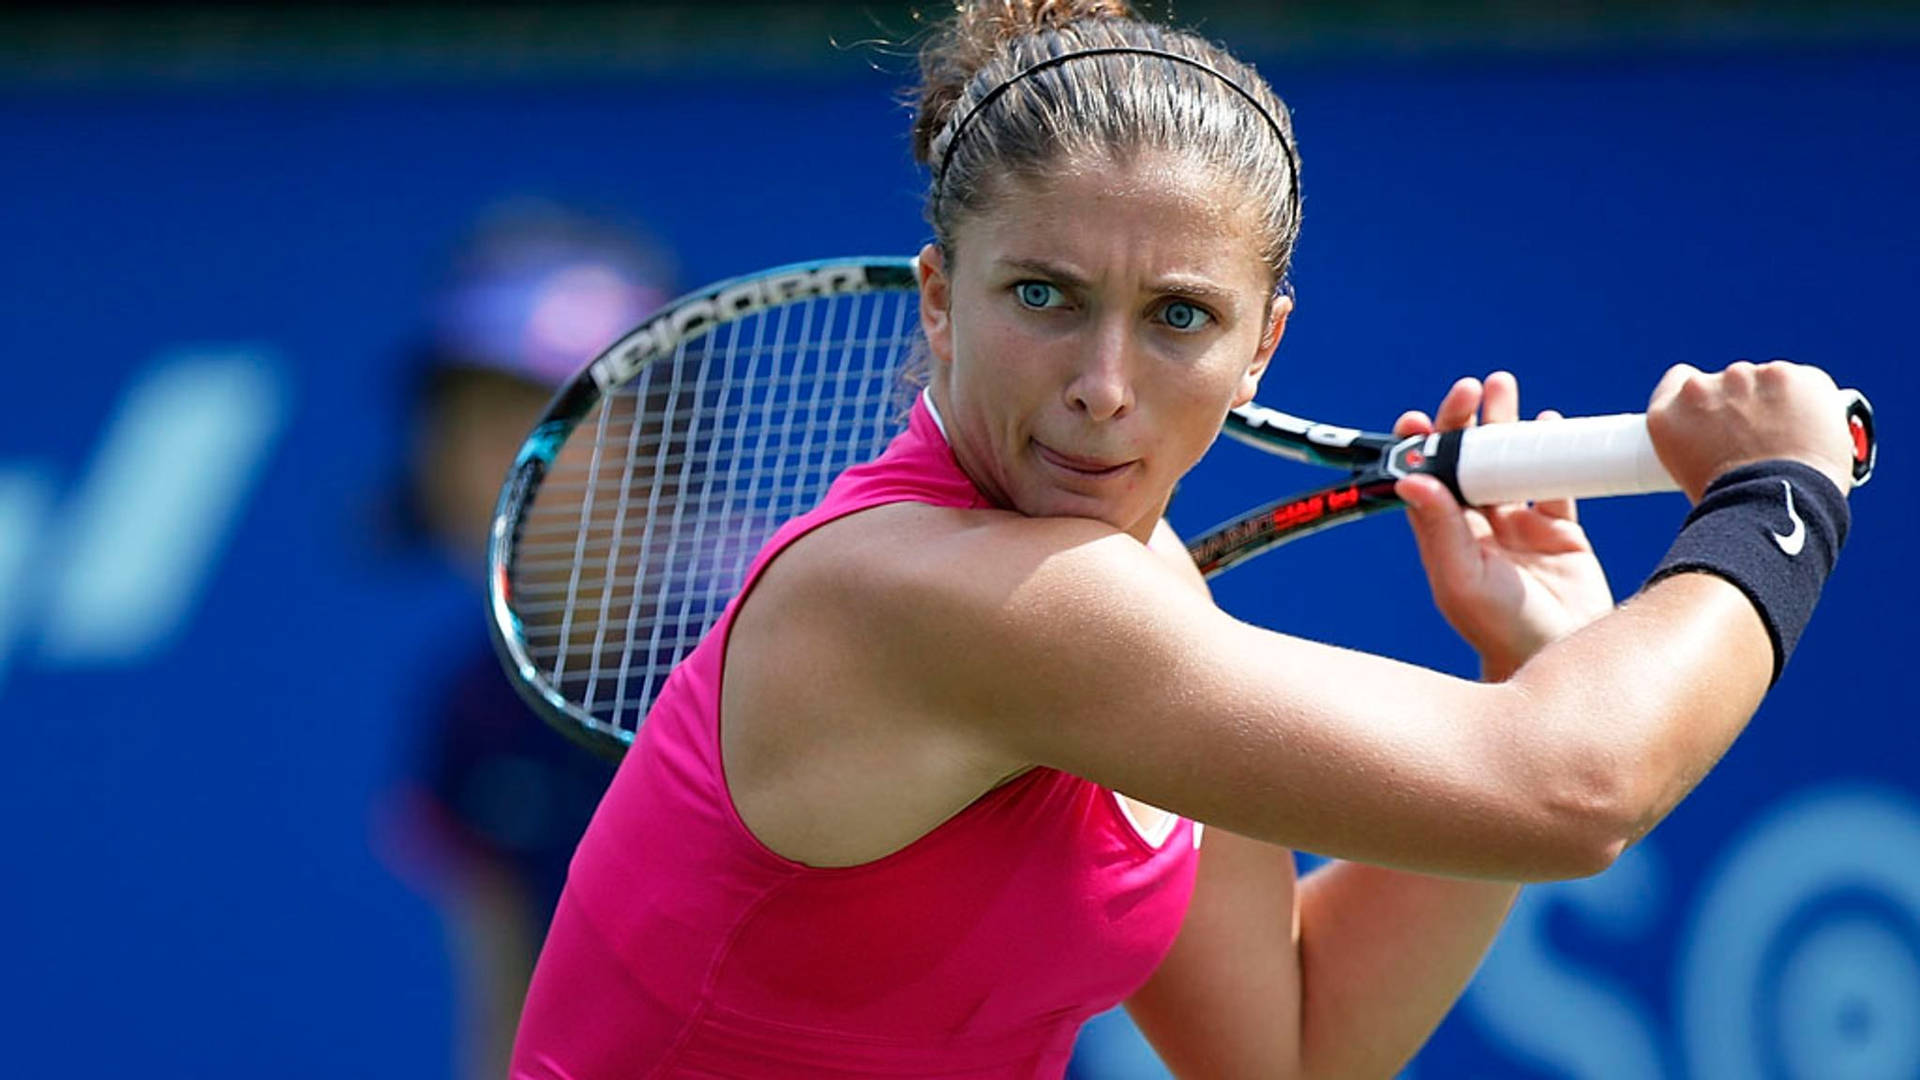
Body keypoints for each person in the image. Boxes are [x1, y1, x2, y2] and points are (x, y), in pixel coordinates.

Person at [508, 3, 1859, 1077]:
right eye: (1044, 294)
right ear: (939, 301)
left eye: (1177, 317)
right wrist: (1779, 497)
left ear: (1264, 343)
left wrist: (1531, 661)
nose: (1103, 381)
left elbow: (1294, 1043)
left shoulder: (1137, 602)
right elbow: (1571, 791)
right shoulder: (947, 600)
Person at [380, 202, 678, 1080]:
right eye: (469, 418)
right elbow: (504, 1011)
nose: (497, 455)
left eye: (551, 413)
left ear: (654, 439)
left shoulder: (784, 629)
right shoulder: (469, 706)